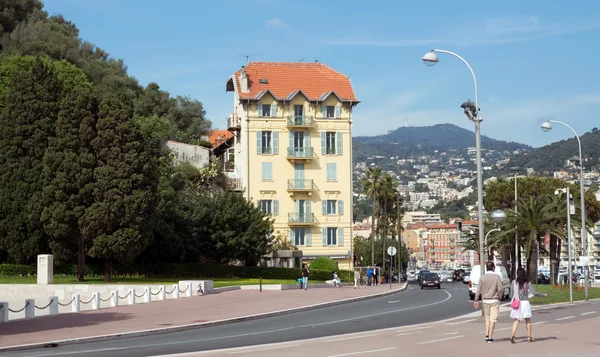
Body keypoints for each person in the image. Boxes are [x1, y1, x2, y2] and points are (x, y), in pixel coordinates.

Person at [510, 268, 548, 343]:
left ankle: (513, 334)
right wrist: (543, 294)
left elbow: (511, 295)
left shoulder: (513, 282)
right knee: (528, 320)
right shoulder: (527, 283)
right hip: (525, 303)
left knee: (516, 320)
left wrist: (514, 300)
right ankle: (529, 337)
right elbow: (534, 293)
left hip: (517, 303)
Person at [473, 261, 503, 343]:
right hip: (494, 300)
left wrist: (476, 299)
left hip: (485, 300)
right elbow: (500, 289)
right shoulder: (497, 277)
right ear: (493, 268)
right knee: (493, 319)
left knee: (487, 318)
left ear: (486, 268)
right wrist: (499, 297)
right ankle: (490, 337)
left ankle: (487, 334)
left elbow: (478, 290)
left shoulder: (482, 277)